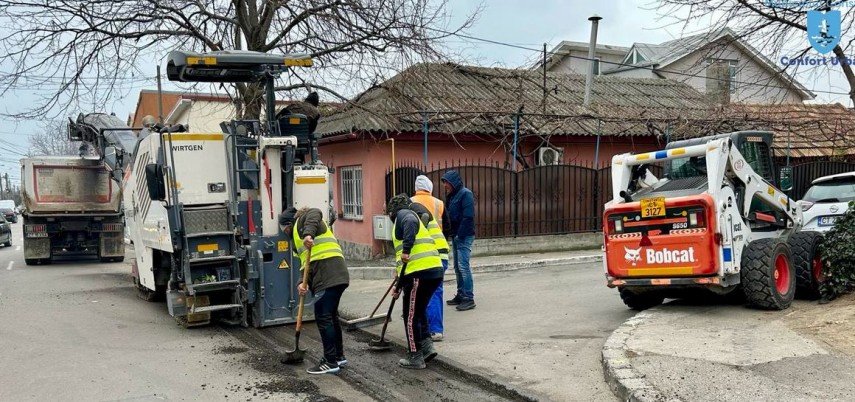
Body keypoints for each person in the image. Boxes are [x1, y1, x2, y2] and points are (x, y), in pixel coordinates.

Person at [279, 206, 350, 375]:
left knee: (323, 316)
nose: (285, 232)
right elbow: (305, 265)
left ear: (290, 224)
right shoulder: (297, 242)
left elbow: (315, 211)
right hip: (335, 276)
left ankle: (330, 361)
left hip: (328, 275)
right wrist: (301, 283)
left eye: (285, 228)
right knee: (331, 317)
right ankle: (338, 357)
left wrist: (307, 234)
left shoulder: (302, 222)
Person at [387, 194, 444, 369]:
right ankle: (426, 347)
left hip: (420, 272)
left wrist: (406, 249)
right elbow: (402, 264)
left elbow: (410, 223)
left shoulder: (405, 214)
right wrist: (399, 285)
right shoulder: (408, 216)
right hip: (432, 271)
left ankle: (415, 356)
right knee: (418, 311)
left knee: (410, 316)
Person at [410, 175, 449, 341]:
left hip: (420, 254)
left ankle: (419, 325)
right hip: (440, 251)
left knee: (417, 290)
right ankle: (436, 330)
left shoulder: (409, 203)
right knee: (436, 290)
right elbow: (447, 227)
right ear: (430, 187)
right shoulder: (439, 203)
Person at [441, 170, 476, 311]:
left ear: (453, 182)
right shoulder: (452, 195)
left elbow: (468, 216)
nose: (444, 186)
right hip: (456, 235)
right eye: (444, 183)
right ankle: (461, 294)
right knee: (457, 267)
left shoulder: (466, 194)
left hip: (464, 235)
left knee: (463, 266)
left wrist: (459, 235)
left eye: (446, 183)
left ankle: (469, 297)